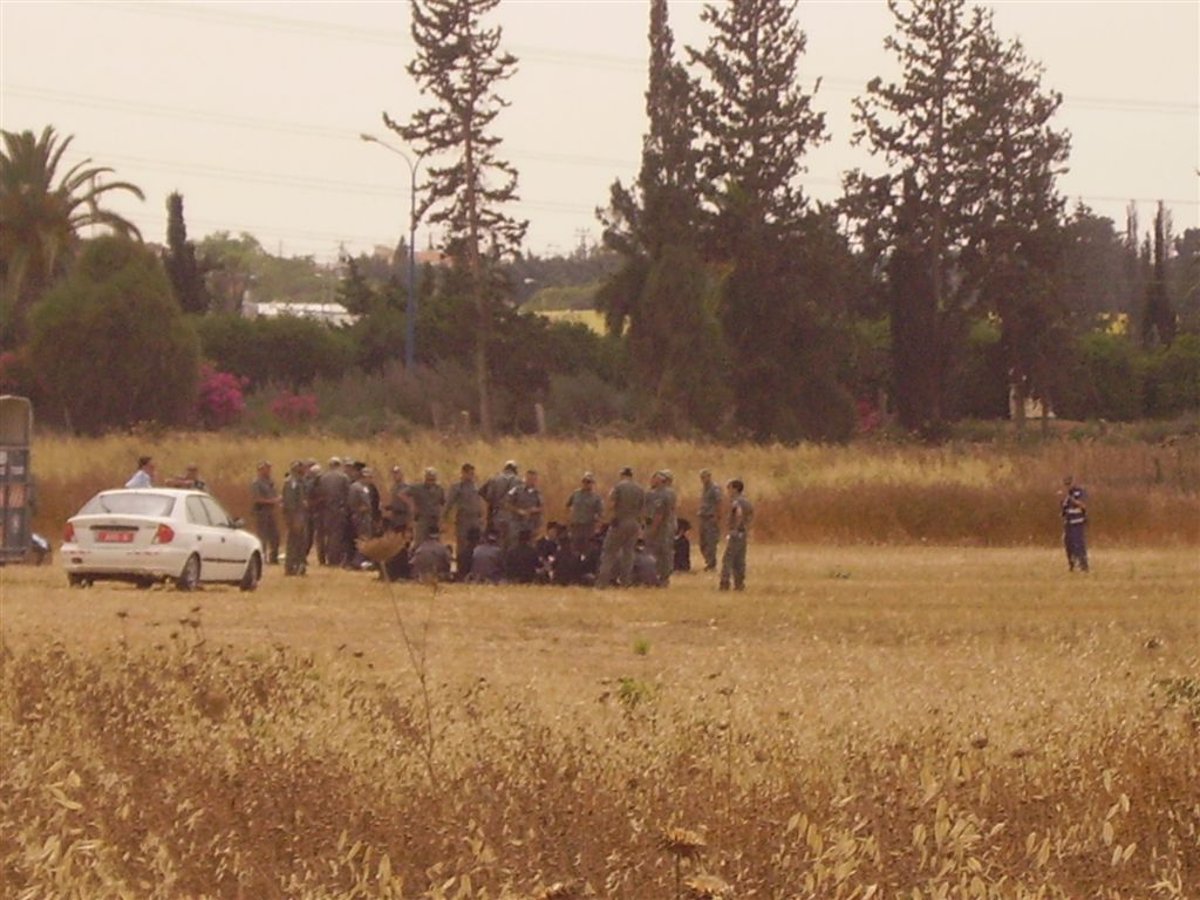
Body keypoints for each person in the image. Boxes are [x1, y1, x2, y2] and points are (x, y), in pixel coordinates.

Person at [595, 466, 645, 588]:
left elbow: (611, 504)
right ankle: (625, 582)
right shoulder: (640, 489)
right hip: (634, 523)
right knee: (628, 553)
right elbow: (642, 508)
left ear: (622, 475)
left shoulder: (618, 487)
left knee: (609, 552)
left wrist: (607, 518)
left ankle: (602, 582)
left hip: (620, 522)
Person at [444, 463, 484, 580]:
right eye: (469, 473)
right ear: (463, 473)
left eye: (473, 473)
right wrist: (445, 519)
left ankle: (474, 569)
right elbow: (449, 504)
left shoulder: (475, 486)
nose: (472, 476)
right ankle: (462, 571)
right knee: (462, 545)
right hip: (463, 520)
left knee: (476, 544)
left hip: (475, 519)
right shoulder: (457, 487)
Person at [719, 479, 754, 591]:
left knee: (728, 559)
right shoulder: (747, 502)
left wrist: (734, 529)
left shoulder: (736, 502)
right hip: (744, 534)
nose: (728, 491)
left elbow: (738, 514)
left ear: (735, 489)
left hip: (736, 533)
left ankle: (724, 583)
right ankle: (739, 584)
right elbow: (750, 517)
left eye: (729, 488)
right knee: (740, 559)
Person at [316, 457, 351, 566]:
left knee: (328, 535)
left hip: (326, 510)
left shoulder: (323, 478)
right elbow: (348, 494)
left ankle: (323, 558)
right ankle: (334, 559)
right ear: (338, 465)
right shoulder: (344, 477)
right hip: (339, 510)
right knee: (337, 535)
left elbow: (319, 493)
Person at [281, 460, 310, 576]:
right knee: (293, 542)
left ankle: (299, 566)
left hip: (300, 516)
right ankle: (291, 566)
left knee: (300, 542)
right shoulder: (291, 482)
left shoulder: (300, 481)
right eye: (301, 468)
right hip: (295, 517)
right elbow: (290, 502)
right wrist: (295, 518)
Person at [251, 460, 281, 565]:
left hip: (271, 512)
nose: (269, 470)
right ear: (260, 470)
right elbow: (256, 499)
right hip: (261, 512)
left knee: (275, 536)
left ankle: (274, 558)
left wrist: (278, 499)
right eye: (266, 468)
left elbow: (274, 493)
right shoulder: (256, 483)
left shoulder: (270, 482)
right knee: (262, 537)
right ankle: (262, 558)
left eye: (269, 468)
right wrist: (271, 501)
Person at [506, 469, 545, 550]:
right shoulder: (516, 490)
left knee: (530, 547)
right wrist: (518, 511)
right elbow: (507, 504)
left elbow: (542, 508)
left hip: (531, 524)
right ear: (525, 478)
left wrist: (535, 510)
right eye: (530, 479)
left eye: (534, 479)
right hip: (517, 524)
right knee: (514, 545)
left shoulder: (538, 493)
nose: (532, 482)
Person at [566, 471, 603, 555]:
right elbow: (567, 506)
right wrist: (568, 519)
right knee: (574, 547)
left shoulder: (596, 497)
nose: (586, 484)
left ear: (593, 483)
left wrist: (597, 526)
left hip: (588, 526)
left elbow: (600, 513)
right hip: (576, 525)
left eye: (589, 482)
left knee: (587, 548)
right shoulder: (576, 494)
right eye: (585, 481)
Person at [482, 460, 521, 540]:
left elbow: (487, 495)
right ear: (515, 469)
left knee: (497, 540)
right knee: (511, 541)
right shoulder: (519, 481)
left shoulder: (494, 479)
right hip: (512, 516)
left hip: (497, 514)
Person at [408, 467, 446, 546]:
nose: (431, 482)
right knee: (420, 541)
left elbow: (442, 503)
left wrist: (441, 519)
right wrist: (412, 506)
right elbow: (402, 494)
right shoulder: (418, 488)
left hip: (435, 519)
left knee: (436, 542)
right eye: (429, 479)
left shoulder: (439, 489)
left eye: (433, 479)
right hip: (423, 519)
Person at [1061, 474, 1089, 572]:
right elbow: (1064, 510)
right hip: (1068, 523)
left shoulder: (1080, 492)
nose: (1067, 486)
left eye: (1069, 483)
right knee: (1068, 544)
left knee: (1079, 544)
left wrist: (1072, 499)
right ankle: (1072, 565)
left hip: (1078, 523)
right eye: (1066, 484)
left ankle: (1083, 566)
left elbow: (1083, 505)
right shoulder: (1065, 496)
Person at [697, 469, 722, 572]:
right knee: (702, 543)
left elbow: (719, 503)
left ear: (709, 476)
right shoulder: (704, 488)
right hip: (703, 517)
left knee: (711, 542)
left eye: (705, 477)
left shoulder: (714, 488)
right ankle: (708, 561)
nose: (703, 479)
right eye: (701, 477)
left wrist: (717, 517)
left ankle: (711, 564)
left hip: (711, 518)